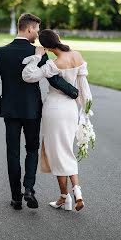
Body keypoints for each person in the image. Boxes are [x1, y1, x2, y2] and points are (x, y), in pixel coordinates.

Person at [0, 13, 79, 210]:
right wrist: (73, 91)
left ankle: (16, 198)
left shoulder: (1, 52)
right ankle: (29, 188)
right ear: (28, 29)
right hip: (32, 110)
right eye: (36, 29)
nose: (37, 33)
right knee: (32, 149)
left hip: (9, 110)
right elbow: (53, 79)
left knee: (12, 152)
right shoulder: (38, 52)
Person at [22, 29, 92, 211]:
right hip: (71, 109)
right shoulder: (77, 55)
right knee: (66, 149)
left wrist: (37, 56)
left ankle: (65, 196)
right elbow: (84, 88)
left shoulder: (53, 64)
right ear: (58, 39)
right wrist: (85, 110)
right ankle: (75, 192)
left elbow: (28, 75)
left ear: (45, 47)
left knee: (58, 153)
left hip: (54, 109)